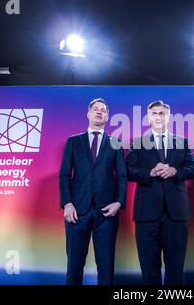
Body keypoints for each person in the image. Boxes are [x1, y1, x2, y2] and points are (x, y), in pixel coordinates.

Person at [126, 100, 194, 285]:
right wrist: (149, 172)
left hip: (177, 213)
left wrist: (176, 171)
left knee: (175, 268)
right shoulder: (137, 143)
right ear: (148, 118)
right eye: (154, 113)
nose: (158, 116)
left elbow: (193, 169)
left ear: (169, 117)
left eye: (162, 113)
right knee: (149, 269)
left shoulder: (182, 142)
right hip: (146, 213)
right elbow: (127, 170)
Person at [59, 98, 127, 285]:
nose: (99, 112)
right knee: (74, 266)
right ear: (88, 114)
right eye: (95, 109)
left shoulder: (116, 143)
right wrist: (67, 203)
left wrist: (119, 202)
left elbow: (122, 176)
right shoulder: (74, 141)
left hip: (107, 212)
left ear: (107, 117)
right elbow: (65, 174)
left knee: (106, 268)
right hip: (77, 212)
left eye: (103, 110)